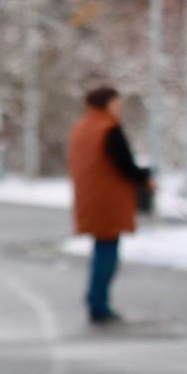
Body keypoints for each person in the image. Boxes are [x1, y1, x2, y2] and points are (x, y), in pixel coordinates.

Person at [67, 86, 153, 325]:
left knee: (100, 250)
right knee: (107, 252)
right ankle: (99, 304)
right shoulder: (108, 129)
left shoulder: (82, 127)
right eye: (117, 103)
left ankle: (97, 301)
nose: (120, 107)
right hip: (108, 199)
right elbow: (125, 164)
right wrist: (146, 179)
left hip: (89, 197)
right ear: (107, 104)